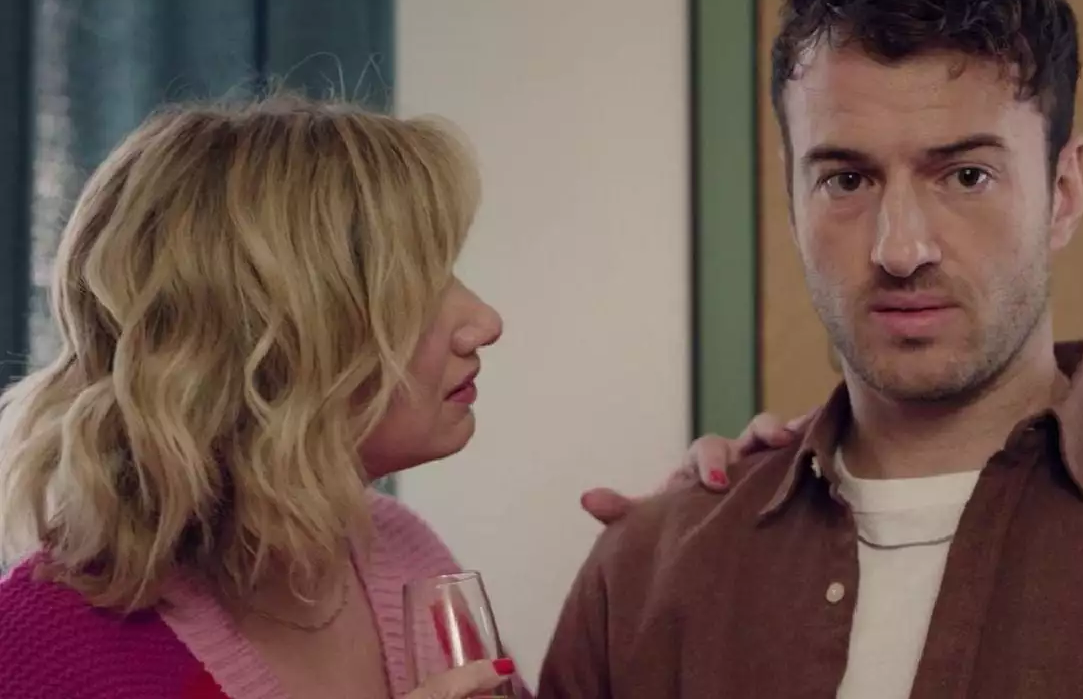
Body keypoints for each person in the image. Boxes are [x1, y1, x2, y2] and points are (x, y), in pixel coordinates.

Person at [538, 0, 1083, 697]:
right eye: (846, 180)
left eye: (966, 176)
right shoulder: (640, 575)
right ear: (792, 196)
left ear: (1064, 192)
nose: (900, 249)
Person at [0, 97, 771, 699]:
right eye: (417, 288)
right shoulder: (38, 652)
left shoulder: (402, 554)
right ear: (276, 337)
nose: (484, 321)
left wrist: (673, 560)